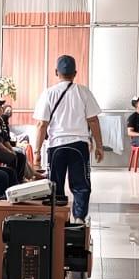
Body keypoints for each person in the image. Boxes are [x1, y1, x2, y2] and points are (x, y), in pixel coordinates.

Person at [32, 54, 104, 221]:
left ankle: (57, 221)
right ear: (75, 73)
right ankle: (79, 219)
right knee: (81, 185)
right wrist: (99, 146)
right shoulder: (83, 92)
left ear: (56, 72)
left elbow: (41, 124)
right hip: (79, 145)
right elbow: (93, 120)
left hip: (56, 146)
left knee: (54, 186)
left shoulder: (48, 93)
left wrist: (37, 152)